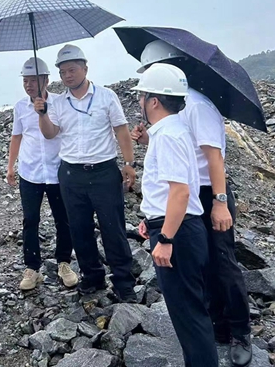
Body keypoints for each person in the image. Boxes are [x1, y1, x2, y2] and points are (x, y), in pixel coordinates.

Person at [132, 40, 251, 367]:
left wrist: (219, 203)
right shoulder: (172, 120)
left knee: (222, 264)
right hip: (185, 199)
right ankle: (213, 328)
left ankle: (238, 331)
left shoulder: (196, 107)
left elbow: (213, 160)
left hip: (206, 194)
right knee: (202, 271)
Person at [34, 44, 138, 302]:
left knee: (113, 229)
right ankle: (92, 277)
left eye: (72, 69)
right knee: (79, 230)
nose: (67, 76)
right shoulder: (58, 102)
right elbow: (50, 134)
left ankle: (124, 283)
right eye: (62, 72)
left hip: (104, 172)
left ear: (85, 68)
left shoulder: (106, 96)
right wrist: (42, 115)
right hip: (71, 174)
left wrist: (129, 163)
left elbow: (121, 130)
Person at [133, 63, 218, 367]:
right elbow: (168, 191)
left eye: (141, 96)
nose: (139, 101)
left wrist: (166, 237)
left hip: (178, 234)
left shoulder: (168, 135)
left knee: (189, 316)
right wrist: (153, 220)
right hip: (178, 227)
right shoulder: (173, 131)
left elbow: (180, 193)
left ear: (154, 101)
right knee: (190, 312)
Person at [6, 57, 78, 290]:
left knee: (63, 219)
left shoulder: (61, 102)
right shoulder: (20, 107)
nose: (28, 85)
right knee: (30, 220)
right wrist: (10, 166)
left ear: (46, 80)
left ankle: (64, 263)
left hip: (58, 171)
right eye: (25, 81)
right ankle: (32, 268)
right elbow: (17, 136)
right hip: (30, 172)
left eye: (33, 80)